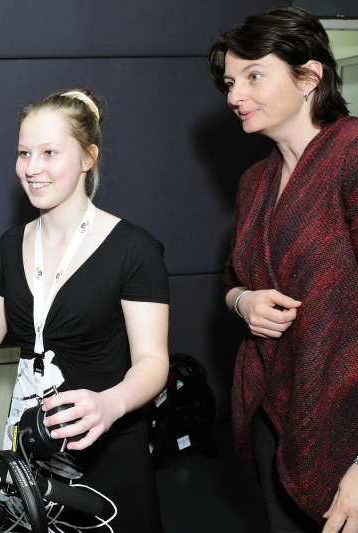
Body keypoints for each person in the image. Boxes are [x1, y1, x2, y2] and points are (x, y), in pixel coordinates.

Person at [0, 88, 170, 531]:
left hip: (105, 447)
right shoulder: (12, 244)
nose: (32, 168)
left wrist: (110, 404)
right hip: (30, 439)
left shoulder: (134, 249)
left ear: (88, 158)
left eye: (49, 152)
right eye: (24, 153)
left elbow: (153, 362)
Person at [209, 6, 358, 532]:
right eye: (231, 82)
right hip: (276, 412)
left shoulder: (352, 155)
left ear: (309, 76)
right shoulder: (255, 181)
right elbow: (232, 282)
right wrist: (244, 302)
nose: (234, 96)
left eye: (253, 76)